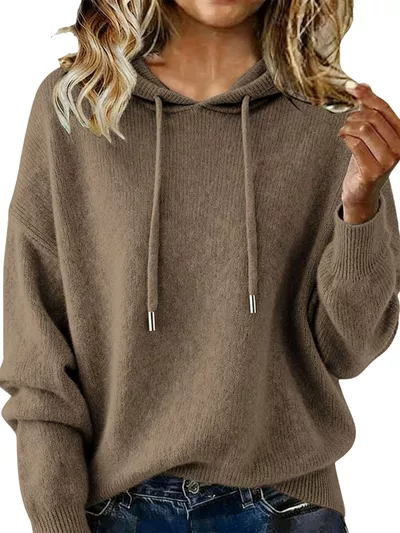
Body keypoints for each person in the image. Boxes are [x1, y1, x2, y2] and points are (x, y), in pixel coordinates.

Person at [1, 1, 399, 532]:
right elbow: (38, 361)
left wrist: (360, 209)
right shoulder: (78, 108)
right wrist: (56, 520)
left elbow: (349, 349)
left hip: (287, 507)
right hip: (114, 510)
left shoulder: (332, 118)